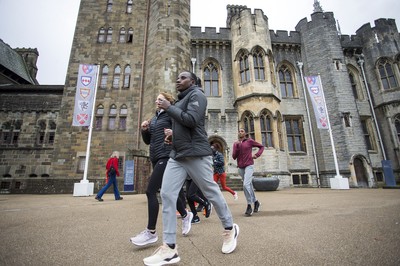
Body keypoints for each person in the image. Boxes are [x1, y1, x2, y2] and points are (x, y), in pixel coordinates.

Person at [143, 71, 239, 266]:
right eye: (177, 78)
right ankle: (169, 248)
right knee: (168, 195)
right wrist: (173, 135)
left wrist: (168, 107)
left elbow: (192, 120)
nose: (178, 79)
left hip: (196, 153)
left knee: (211, 192)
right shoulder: (179, 102)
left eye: (183, 77)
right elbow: (183, 124)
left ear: (192, 81)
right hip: (177, 155)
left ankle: (230, 229)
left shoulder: (198, 95)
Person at [130, 92, 193, 247]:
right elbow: (148, 141)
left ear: (168, 100)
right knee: (167, 193)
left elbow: (184, 131)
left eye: (160, 99)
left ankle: (151, 232)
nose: (157, 100)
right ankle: (185, 215)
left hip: (167, 155)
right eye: (156, 98)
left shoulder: (172, 114)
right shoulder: (154, 119)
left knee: (151, 191)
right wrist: (145, 130)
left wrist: (173, 133)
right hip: (155, 156)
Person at [232, 128, 264, 216]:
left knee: (246, 185)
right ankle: (256, 202)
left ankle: (249, 205)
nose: (240, 132)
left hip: (249, 165)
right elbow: (234, 156)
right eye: (239, 131)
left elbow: (261, 147)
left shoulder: (249, 141)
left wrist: (257, 155)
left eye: (242, 131)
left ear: (245, 133)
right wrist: (237, 147)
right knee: (249, 185)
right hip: (241, 167)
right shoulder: (236, 144)